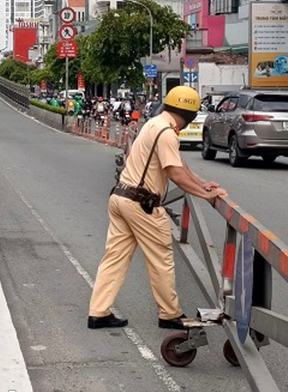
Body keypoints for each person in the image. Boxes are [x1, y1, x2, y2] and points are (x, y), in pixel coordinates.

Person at [87, 86, 227, 331]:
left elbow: (178, 164)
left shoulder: (155, 124)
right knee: (161, 258)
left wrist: (203, 184)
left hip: (121, 197)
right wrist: (207, 195)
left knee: (114, 258)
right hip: (142, 204)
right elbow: (175, 174)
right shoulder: (167, 133)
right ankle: (169, 314)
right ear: (191, 115)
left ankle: (98, 312)